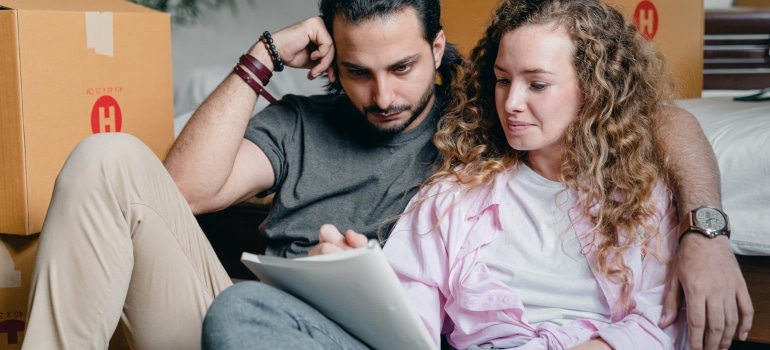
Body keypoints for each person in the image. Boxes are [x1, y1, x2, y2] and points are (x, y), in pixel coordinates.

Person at [22, 0, 748, 349]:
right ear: (331, 59)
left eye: (402, 67)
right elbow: (180, 193)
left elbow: (654, 117)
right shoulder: (304, 124)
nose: (385, 96)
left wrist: (706, 228)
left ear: (439, 49)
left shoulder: (486, 102)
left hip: (384, 340)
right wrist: (265, 55)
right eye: (358, 71)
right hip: (271, 326)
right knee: (109, 159)